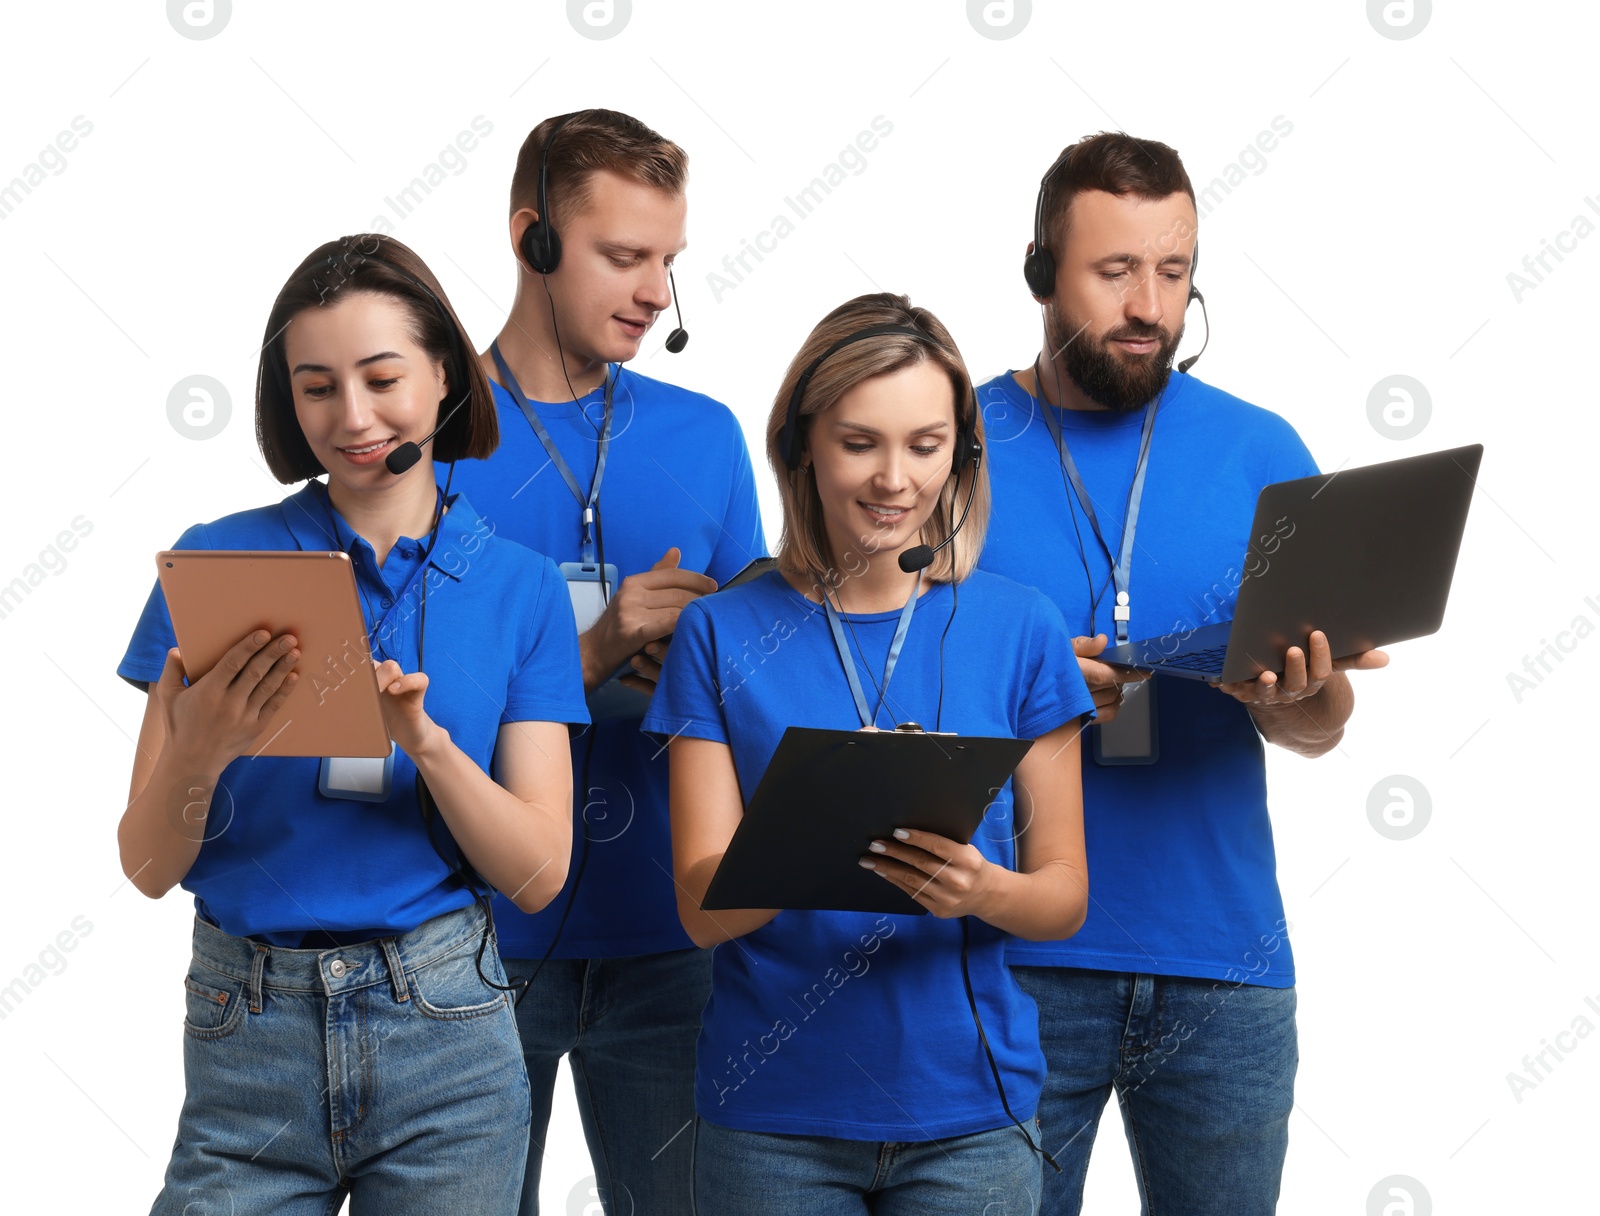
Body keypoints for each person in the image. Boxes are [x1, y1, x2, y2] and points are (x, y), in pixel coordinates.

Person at [115, 233, 589, 1215]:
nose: (354, 417)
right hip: (248, 1030)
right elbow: (149, 864)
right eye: (316, 386)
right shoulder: (217, 564)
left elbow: (539, 875)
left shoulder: (520, 589)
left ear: (446, 374)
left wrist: (427, 744)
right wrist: (202, 746)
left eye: (382, 378)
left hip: (444, 1030)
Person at [977, 132, 1389, 1215]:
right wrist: (1029, 694)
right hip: (1012, 959)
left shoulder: (1262, 452)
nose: (1147, 305)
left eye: (1172, 272)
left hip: (1224, 966)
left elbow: (1321, 724)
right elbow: (878, 696)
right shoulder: (950, 446)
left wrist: (1300, 699)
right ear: (1038, 271)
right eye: (1113, 273)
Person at [642, 293, 1097, 1215]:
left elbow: (1063, 894)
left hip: (972, 1118)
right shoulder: (721, 634)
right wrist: (814, 829)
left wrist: (983, 892)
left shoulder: (1020, 628)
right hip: (772, 1119)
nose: (895, 479)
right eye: (860, 443)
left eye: (925, 445)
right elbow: (699, 910)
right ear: (802, 443)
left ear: (959, 453)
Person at [444, 108, 767, 1214]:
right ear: (532, 237)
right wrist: (588, 654)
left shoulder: (708, 436)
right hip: (470, 944)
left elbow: (772, 691)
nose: (655, 292)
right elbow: (385, 722)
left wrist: (708, 664)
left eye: (668, 261)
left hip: (674, 935)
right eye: (623, 257)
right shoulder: (423, 442)